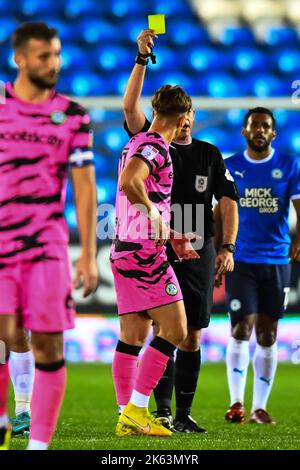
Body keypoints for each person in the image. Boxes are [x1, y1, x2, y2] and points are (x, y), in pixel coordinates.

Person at [122, 29, 239, 432]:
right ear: (178, 116)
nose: (185, 123)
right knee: (164, 328)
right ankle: (158, 410)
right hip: (161, 239)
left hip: (196, 240)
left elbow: (227, 200)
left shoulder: (208, 152)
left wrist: (226, 245)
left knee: (190, 334)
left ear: (193, 118)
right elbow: (130, 109)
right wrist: (140, 58)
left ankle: (181, 414)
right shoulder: (153, 143)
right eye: (182, 117)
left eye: (190, 118)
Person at [0, 22, 99, 450]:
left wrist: (89, 253)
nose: (53, 63)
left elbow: (84, 184)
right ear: (19, 59)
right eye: (44, 56)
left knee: (46, 340)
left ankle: (38, 446)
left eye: (57, 55)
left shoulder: (74, 115)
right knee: (4, 332)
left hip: (46, 244)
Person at [111, 84, 200, 437]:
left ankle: (126, 416)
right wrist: (154, 216)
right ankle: (135, 410)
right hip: (144, 253)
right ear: (182, 120)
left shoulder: (136, 141)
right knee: (176, 330)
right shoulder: (155, 146)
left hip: (125, 247)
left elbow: (146, 192)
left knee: (132, 336)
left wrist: (173, 234)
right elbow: (129, 182)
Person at [223, 107, 300, 424]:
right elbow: (222, 212)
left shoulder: (288, 165)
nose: (259, 130)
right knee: (241, 327)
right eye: (254, 125)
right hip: (241, 259)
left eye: (265, 126)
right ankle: (236, 403)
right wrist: (220, 249)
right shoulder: (231, 167)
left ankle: (259, 408)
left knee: (268, 333)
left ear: (273, 133)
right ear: (244, 130)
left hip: (277, 260)